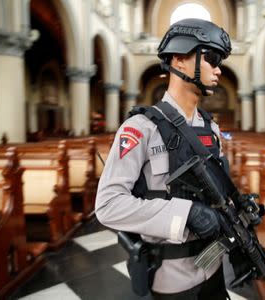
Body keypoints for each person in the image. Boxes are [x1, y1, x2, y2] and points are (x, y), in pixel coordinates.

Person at [95, 18, 232, 299]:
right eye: (212, 58)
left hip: (214, 267)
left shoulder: (211, 128)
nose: (219, 69)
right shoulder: (140, 129)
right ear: (180, 60)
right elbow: (108, 205)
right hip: (173, 277)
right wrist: (186, 214)